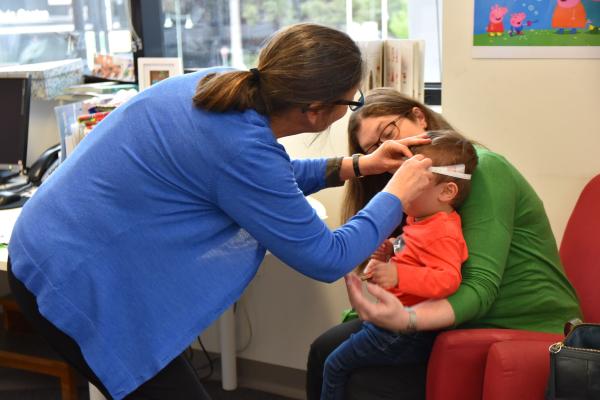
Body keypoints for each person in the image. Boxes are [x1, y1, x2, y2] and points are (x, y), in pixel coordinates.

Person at [7, 25, 435, 400]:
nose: (351, 108)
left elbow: (266, 177)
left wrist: (358, 165)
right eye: (351, 101)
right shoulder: (240, 145)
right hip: (68, 280)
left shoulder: (218, 87)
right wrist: (395, 194)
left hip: (51, 244)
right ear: (315, 111)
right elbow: (328, 257)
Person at [306, 88, 582, 400]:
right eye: (374, 148)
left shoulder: (480, 171)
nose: (390, 149)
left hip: (514, 322)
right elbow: (409, 259)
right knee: (324, 350)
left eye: (389, 133)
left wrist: (407, 319)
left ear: (418, 116)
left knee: (360, 380)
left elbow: (478, 289)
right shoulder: (412, 195)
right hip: (443, 314)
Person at [320, 131, 478, 400]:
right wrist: (386, 256)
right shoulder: (421, 219)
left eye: (415, 183)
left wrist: (397, 273)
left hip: (404, 335)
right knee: (327, 351)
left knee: (334, 366)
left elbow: (447, 279)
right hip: (390, 320)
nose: (402, 189)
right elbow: (413, 254)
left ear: (447, 191)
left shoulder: (442, 232)